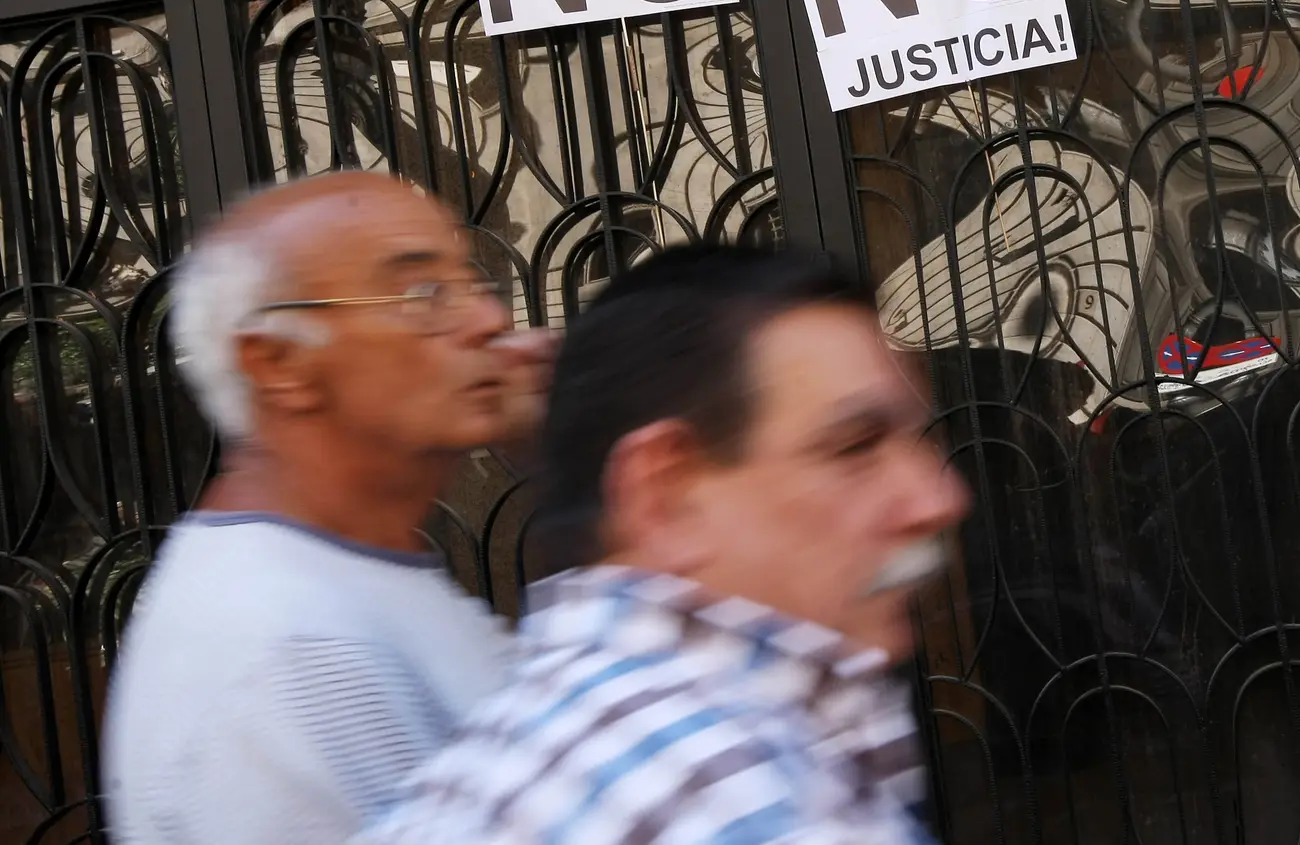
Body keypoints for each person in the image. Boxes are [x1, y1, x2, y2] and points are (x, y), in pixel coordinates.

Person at [355, 244, 970, 845]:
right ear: (664, 494)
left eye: (918, 440)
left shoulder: (537, 740)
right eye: (854, 448)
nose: (937, 500)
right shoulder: (749, 806)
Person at [104, 172, 556, 845]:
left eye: (473, 282)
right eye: (423, 293)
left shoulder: (349, 567)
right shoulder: (285, 653)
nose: (490, 320)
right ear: (279, 362)